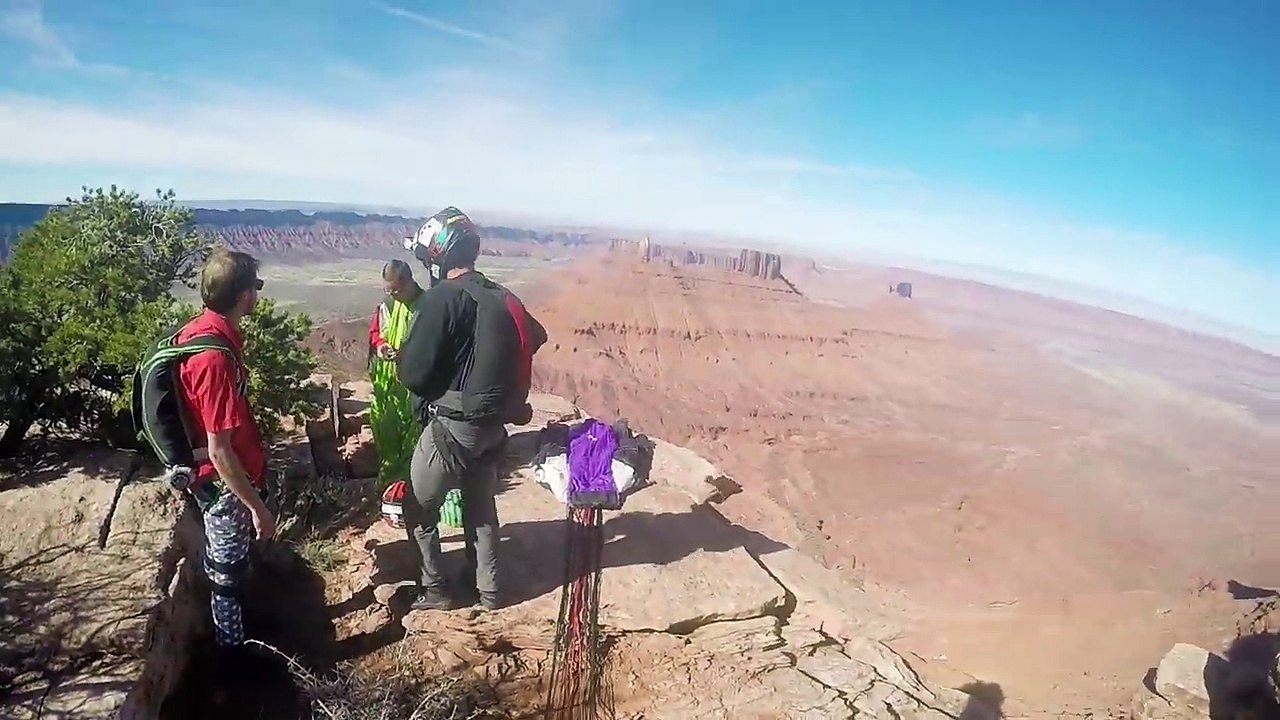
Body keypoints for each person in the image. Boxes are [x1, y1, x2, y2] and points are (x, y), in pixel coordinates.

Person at [396, 206, 547, 611]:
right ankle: (490, 590)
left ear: (437, 256)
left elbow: (412, 373)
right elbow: (536, 335)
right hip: (494, 426)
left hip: (452, 428)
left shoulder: (442, 299)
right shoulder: (502, 294)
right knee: (480, 508)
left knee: (417, 507)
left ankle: (435, 591)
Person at [174, 247, 273, 647]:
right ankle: (233, 656)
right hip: (221, 483)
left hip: (223, 475)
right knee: (226, 575)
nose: (257, 295)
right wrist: (257, 508)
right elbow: (219, 450)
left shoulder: (201, 331)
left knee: (232, 567)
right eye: (256, 287)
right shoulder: (213, 358)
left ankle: (238, 633)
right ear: (244, 295)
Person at [367, 259, 426, 488]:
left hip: (416, 387)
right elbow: (376, 334)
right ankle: (392, 486)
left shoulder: (426, 305)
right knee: (388, 438)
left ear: (408, 282)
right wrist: (382, 346)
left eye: (395, 290)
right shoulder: (387, 306)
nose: (392, 294)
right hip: (389, 387)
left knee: (415, 441)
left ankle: (414, 487)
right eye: (387, 290)